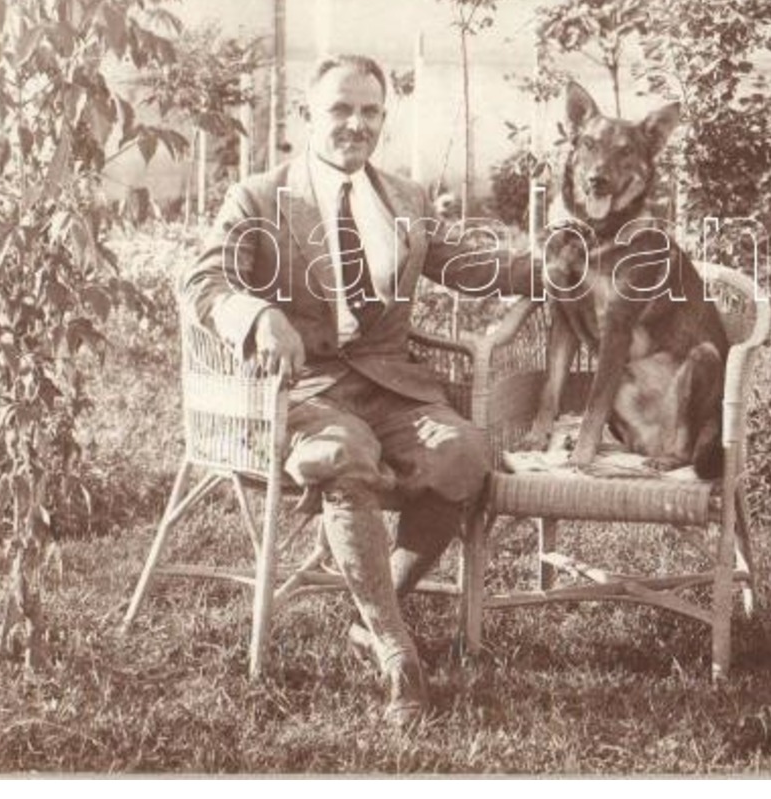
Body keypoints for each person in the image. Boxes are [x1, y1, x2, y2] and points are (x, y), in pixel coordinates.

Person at [180, 54, 532, 727]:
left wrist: (557, 267)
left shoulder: (403, 198)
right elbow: (204, 281)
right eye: (340, 108)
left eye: (370, 111)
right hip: (299, 388)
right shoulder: (258, 198)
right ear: (307, 114)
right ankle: (397, 651)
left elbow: (467, 264)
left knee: (463, 454)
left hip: (390, 383)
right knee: (341, 456)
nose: (355, 124)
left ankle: (371, 611)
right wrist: (258, 315)